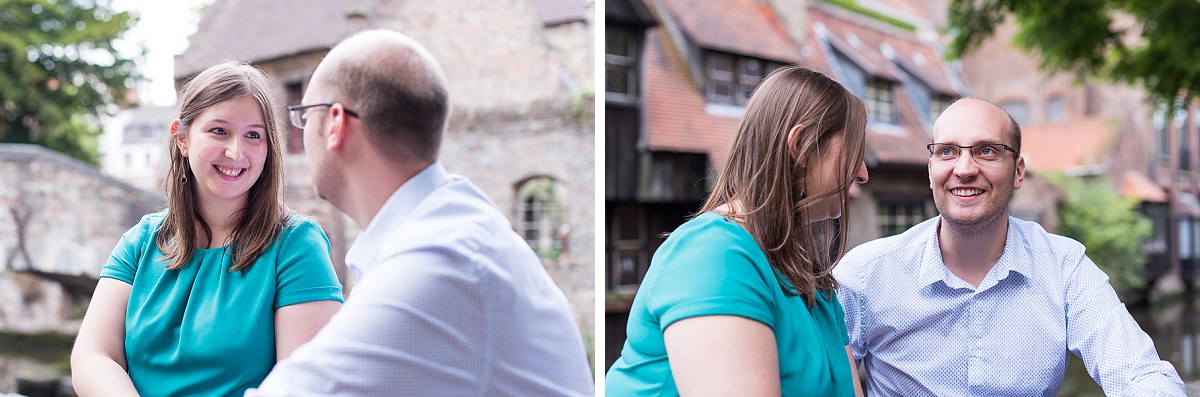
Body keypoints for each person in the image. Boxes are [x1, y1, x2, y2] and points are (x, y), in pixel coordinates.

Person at [244, 29, 592, 396]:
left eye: (303, 116)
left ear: (334, 124)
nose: (300, 132)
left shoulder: (439, 262)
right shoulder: (446, 230)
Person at [833, 97, 1187, 396]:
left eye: (986, 151)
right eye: (947, 152)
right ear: (931, 170)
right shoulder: (864, 276)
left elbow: (1139, 373)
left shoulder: (1063, 267)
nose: (965, 169)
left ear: (1018, 171)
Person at [70, 61, 345, 396]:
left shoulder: (296, 245)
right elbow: (93, 355)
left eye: (253, 136)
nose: (236, 151)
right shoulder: (141, 242)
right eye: (219, 131)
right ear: (182, 139)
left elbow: (304, 386)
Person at [605, 66, 870, 396]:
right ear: (801, 146)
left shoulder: (814, 281)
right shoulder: (713, 256)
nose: (862, 173)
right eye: (855, 153)